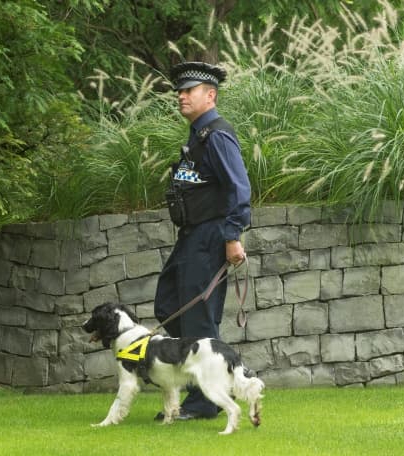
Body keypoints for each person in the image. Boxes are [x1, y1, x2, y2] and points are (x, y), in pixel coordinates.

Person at [154, 61, 251, 421]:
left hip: (210, 236)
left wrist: (232, 236)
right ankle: (220, 368)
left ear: (209, 96)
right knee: (167, 305)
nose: (181, 95)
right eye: (179, 90)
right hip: (190, 236)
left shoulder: (217, 135)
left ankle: (203, 402)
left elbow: (239, 188)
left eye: (188, 90)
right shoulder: (198, 136)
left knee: (198, 318)